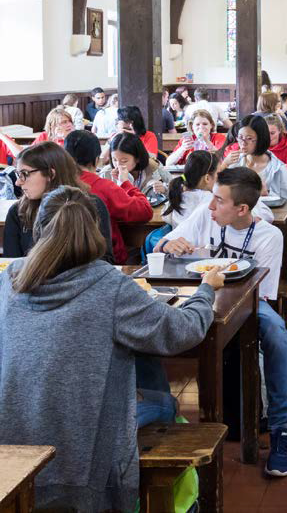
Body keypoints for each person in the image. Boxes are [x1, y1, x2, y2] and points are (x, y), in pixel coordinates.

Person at [0, 185, 222, 512]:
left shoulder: (9, 279)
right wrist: (205, 291)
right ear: (96, 230)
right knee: (164, 402)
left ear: (37, 229)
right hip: (84, 470)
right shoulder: (108, 285)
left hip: (13, 450)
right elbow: (182, 332)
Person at [157, 167, 287, 477]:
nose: (210, 206)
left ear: (242, 209)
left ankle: (282, 428)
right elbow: (160, 244)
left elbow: (261, 295)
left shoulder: (269, 236)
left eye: (219, 201)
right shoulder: (205, 217)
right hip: (199, 297)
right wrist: (168, 245)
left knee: (275, 331)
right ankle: (158, 419)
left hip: (248, 302)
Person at [3, 142, 113, 262]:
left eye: (24, 174)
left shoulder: (92, 205)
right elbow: (11, 264)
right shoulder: (18, 211)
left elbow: (104, 259)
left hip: (85, 274)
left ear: (51, 174)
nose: (18, 182)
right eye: (18, 175)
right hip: (34, 274)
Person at [64, 129, 153, 264]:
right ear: (96, 159)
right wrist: (125, 183)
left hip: (63, 259)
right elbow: (144, 211)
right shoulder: (103, 187)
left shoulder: (55, 184)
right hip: (105, 260)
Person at [220, 115, 287, 201]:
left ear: (261, 139)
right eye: (240, 137)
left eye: (249, 138)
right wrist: (224, 165)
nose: (243, 143)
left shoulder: (278, 169)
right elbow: (217, 192)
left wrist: (266, 195)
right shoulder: (234, 162)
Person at [99, 132, 170, 199]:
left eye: (124, 161)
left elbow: (174, 189)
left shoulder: (153, 167)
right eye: (114, 159)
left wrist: (165, 190)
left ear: (137, 158)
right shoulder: (106, 174)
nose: (118, 165)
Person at [163, 150, 219, 228]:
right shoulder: (210, 200)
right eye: (218, 174)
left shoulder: (179, 193)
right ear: (207, 178)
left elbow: (165, 217)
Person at [264, 114, 287, 180]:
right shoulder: (257, 148)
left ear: (279, 130)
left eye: (272, 133)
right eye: (265, 133)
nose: (268, 136)